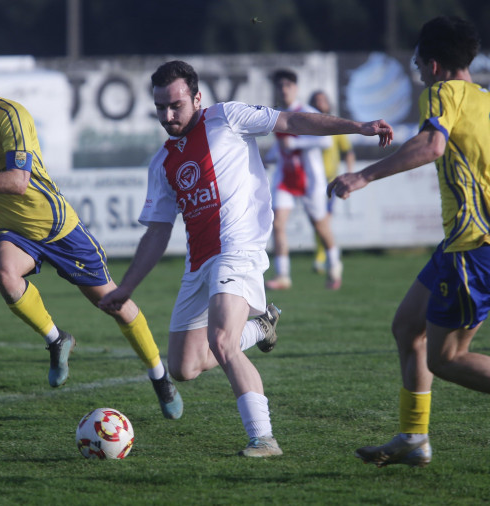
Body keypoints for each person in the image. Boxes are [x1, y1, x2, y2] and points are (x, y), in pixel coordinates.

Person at [99, 60, 392, 457]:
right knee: (184, 367)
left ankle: (263, 439)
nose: (167, 116)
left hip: (239, 248)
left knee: (221, 341)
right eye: (160, 108)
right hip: (198, 262)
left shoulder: (228, 118)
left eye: (176, 106)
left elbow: (294, 121)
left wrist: (358, 128)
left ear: (197, 98)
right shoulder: (162, 163)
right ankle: (261, 326)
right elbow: (157, 231)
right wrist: (127, 287)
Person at [329, 16, 490, 467]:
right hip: (472, 246)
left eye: (419, 62)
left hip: (473, 248)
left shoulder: (442, 93)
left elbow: (431, 146)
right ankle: (413, 439)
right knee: (406, 326)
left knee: (446, 358)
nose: (419, 71)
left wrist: (363, 175)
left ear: (435, 63)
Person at [0, 43, 183, 419]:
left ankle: (159, 376)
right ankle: (57, 340)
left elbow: (19, 182)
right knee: (3, 274)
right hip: (12, 229)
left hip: (56, 226)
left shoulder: (12, 116)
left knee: (114, 305)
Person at [265, 70, 343, 291]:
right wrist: (267, 159)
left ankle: (335, 267)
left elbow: (326, 143)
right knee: (277, 223)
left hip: (310, 180)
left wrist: (296, 144)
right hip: (285, 178)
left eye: (288, 85)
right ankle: (283, 276)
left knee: (320, 226)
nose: (284, 89)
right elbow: (279, 147)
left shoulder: (308, 112)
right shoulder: (276, 115)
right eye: (280, 85)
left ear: (296, 88)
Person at [308, 90, 356, 276]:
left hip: (329, 182)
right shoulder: (306, 126)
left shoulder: (334, 126)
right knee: (317, 221)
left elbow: (348, 151)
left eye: (323, 100)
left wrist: (350, 173)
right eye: (316, 101)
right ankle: (326, 256)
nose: (320, 104)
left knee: (324, 219)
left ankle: (324, 258)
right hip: (309, 181)